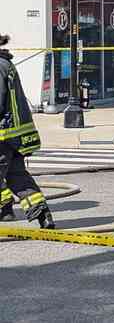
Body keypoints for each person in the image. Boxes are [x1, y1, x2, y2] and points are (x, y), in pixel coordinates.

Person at [0, 33, 55, 228]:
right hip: (13, 136)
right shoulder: (6, 63)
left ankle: (5, 209)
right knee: (17, 177)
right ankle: (42, 214)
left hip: (3, 135)